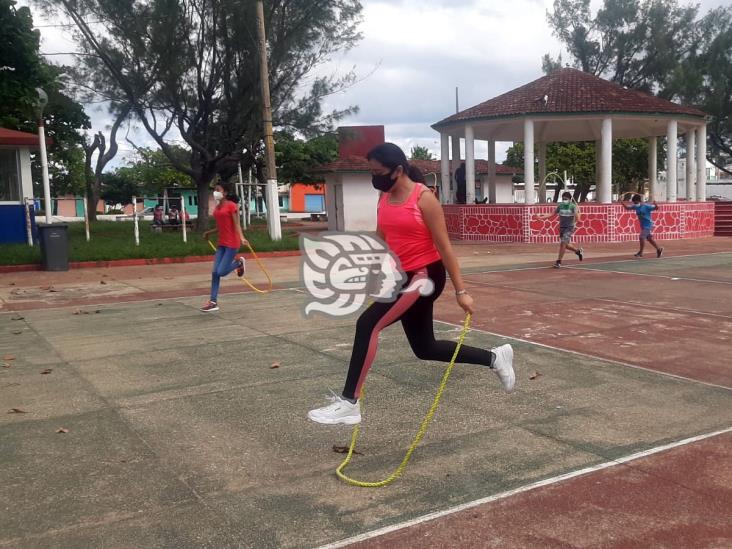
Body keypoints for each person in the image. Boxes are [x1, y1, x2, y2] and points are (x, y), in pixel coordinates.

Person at [307, 143, 515, 426]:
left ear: (399, 170)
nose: (374, 177)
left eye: (378, 171)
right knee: (424, 348)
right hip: (402, 276)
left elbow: (445, 247)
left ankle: (349, 402)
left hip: (424, 275)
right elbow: (380, 238)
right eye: (372, 172)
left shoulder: (424, 198)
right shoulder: (384, 196)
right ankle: (494, 358)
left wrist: (461, 291)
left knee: (368, 325)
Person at [200, 184, 248, 312]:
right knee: (215, 273)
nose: (215, 192)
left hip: (232, 244)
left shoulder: (231, 206)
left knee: (221, 272)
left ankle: (238, 263)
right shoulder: (217, 208)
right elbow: (220, 227)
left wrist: (242, 237)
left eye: (218, 190)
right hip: (221, 243)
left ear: (225, 193)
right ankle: (213, 302)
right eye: (214, 190)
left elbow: (236, 224)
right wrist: (208, 233)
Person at [538, 191, 584, 268]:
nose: (564, 200)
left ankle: (558, 261)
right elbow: (551, 214)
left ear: (569, 199)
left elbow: (577, 218)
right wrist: (541, 218)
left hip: (569, 227)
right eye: (563, 199)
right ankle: (578, 251)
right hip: (562, 228)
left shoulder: (573, 207)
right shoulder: (560, 206)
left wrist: (578, 218)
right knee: (565, 245)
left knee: (563, 243)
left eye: (566, 199)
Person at [623, 194, 664, 258]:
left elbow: (656, 208)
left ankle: (641, 252)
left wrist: (655, 204)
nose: (634, 203)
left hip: (648, 225)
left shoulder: (646, 206)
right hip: (643, 225)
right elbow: (627, 208)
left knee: (641, 237)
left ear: (639, 200)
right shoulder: (635, 206)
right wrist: (622, 203)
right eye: (633, 202)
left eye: (635, 202)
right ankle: (659, 249)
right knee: (649, 239)